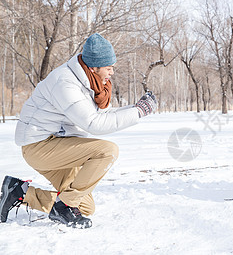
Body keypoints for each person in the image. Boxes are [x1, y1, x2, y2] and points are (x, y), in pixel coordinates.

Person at [0, 33, 158, 228]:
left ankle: (21, 193)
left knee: (85, 207)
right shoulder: (65, 82)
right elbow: (94, 124)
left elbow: (102, 115)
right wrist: (139, 112)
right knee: (108, 151)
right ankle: (63, 205)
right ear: (94, 67)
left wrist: (136, 107)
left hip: (59, 145)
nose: (112, 73)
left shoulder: (89, 83)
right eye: (109, 68)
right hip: (39, 146)